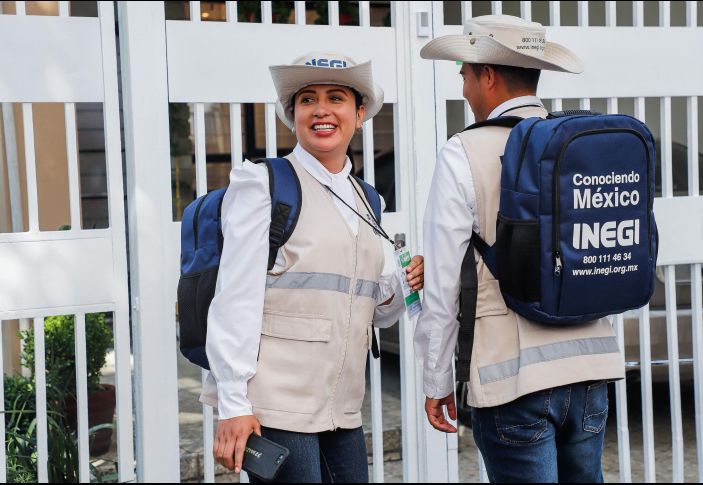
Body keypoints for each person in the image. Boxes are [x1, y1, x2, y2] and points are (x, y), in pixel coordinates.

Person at [415, 15, 624, 483]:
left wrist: (437, 380)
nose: (463, 87)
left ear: (488, 75)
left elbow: (443, 285)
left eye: (465, 75)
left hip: (513, 377)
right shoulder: (577, 143)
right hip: (589, 367)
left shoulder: (463, 152)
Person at [200, 51, 424, 483]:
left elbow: (376, 312)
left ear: (359, 114)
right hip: (276, 406)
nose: (321, 110)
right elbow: (235, 297)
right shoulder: (263, 185)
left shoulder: (368, 200)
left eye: (336, 98)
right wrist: (233, 405)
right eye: (307, 100)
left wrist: (406, 282)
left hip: (342, 408)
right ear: (293, 116)